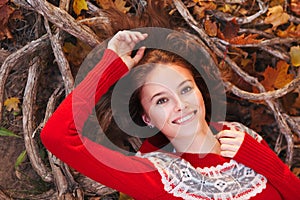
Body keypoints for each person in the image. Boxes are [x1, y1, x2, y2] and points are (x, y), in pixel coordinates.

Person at [41, 30, 300, 199]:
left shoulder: (239, 136)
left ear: (199, 89)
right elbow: (56, 136)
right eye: (162, 100)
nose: (180, 104)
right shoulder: (160, 178)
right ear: (147, 118)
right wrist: (111, 65)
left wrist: (270, 165)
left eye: (185, 89)